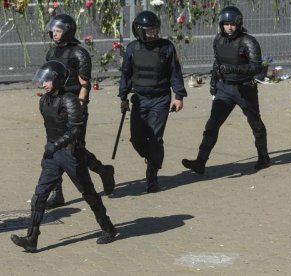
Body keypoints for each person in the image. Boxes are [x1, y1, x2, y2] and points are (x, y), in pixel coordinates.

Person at [10, 61, 117, 253]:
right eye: (42, 80)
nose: (43, 84)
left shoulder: (69, 100)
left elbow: (75, 129)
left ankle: (108, 228)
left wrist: (57, 145)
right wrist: (49, 149)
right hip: (52, 155)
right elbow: (51, 128)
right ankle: (31, 239)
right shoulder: (44, 100)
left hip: (70, 153)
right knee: (39, 196)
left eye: (47, 80)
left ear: (58, 80)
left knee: (89, 194)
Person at [181, 6, 270, 174]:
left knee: (255, 123)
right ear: (221, 25)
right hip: (225, 88)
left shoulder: (248, 41)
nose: (229, 27)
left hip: (245, 89)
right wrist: (213, 82)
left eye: (233, 24)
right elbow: (217, 63)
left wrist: (234, 69)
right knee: (212, 124)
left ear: (239, 24)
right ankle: (200, 161)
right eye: (226, 24)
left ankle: (263, 157)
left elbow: (257, 67)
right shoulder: (218, 40)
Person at [44, 13, 115, 209]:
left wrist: (80, 106)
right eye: (53, 30)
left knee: (75, 150)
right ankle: (57, 193)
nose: (54, 34)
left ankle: (103, 171)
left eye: (58, 31)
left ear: (68, 31)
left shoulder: (78, 53)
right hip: (55, 107)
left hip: (73, 106)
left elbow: (85, 84)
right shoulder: (51, 53)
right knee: (53, 148)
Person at [118, 10, 187, 193]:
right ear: (139, 31)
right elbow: (125, 74)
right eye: (149, 31)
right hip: (139, 100)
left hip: (160, 99)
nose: (154, 34)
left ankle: (152, 174)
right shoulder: (132, 48)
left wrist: (178, 96)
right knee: (137, 139)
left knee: (155, 138)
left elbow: (175, 72)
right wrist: (123, 97)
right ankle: (152, 157)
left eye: (156, 30)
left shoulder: (166, 47)